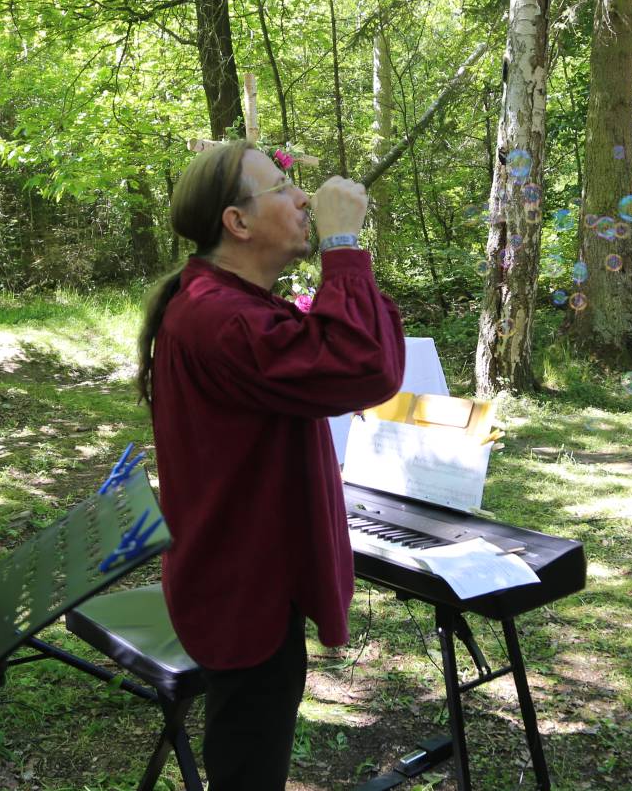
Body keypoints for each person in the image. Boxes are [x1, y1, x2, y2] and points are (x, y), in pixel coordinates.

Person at [134, 140, 404, 791]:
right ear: (238, 222)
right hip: (242, 591)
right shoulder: (218, 317)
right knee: (248, 768)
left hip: (244, 575)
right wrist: (343, 245)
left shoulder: (224, 303)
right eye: (282, 189)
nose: (304, 198)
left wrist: (344, 267)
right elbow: (363, 366)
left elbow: (366, 356)